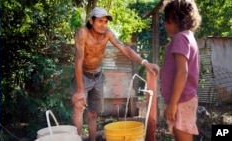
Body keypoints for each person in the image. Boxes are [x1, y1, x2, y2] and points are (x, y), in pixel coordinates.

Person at [71, 7, 159, 141]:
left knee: (93, 114)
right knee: (78, 107)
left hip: (98, 75)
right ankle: (76, 139)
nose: (103, 25)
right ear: (91, 20)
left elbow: (125, 49)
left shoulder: (107, 33)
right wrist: (80, 90)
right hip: (83, 75)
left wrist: (145, 63)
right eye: (100, 21)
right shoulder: (82, 33)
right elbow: (78, 60)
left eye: (106, 22)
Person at [161, 0, 201, 141]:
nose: (165, 24)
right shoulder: (188, 37)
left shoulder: (180, 38)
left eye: (167, 20)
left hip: (181, 101)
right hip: (182, 99)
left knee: (183, 136)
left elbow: (182, 72)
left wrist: (172, 104)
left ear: (176, 19)